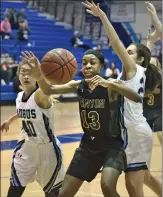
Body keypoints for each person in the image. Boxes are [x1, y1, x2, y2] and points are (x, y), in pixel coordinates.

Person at [21, 50, 142, 197]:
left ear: (101, 66)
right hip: (88, 146)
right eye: (84, 63)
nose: (88, 66)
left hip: (112, 145)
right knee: (64, 194)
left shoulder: (111, 85)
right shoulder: (79, 85)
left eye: (92, 63)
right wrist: (39, 74)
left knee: (107, 185)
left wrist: (110, 83)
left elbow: (137, 97)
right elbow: (48, 89)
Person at [82, 1, 162, 197]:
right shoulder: (136, 69)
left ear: (139, 58)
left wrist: (102, 16)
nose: (125, 54)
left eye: (129, 52)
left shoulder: (133, 69)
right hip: (131, 130)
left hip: (135, 131)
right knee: (144, 178)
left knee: (134, 186)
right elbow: (146, 48)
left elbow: (115, 41)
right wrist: (153, 34)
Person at [1, 61, 65, 197]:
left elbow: (46, 90)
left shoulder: (41, 95)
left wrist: (41, 75)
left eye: (30, 73)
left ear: (36, 76)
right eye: (23, 72)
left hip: (47, 150)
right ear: (18, 76)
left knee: (52, 193)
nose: (26, 76)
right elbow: (23, 110)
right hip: (26, 147)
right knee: (14, 189)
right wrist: (9, 121)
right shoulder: (19, 97)